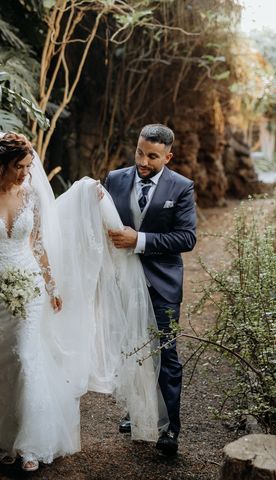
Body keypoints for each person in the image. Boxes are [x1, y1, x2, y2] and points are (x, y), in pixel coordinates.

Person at [0, 133, 79, 472]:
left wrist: (51, 286)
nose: (25, 173)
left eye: (28, 166)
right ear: (2, 163)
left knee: (25, 356)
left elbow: (36, 245)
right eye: (19, 167)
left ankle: (32, 445)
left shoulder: (33, 196)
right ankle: (7, 440)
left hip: (29, 287)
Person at [105, 124, 197, 455]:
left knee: (166, 354)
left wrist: (139, 240)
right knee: (130, 347)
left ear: (168, 156)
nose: (143, 161)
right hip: (123, 282)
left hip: (162, 284)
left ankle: (170, 428)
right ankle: (138, 412)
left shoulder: (182, 187)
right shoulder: (114, 179)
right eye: (140, 152)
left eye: (153, 156)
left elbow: (187, 238)